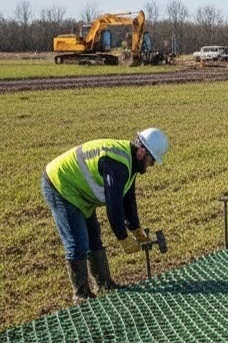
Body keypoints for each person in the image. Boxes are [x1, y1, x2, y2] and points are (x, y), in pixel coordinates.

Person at [41, 129, 169, 303]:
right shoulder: (118, 164)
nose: (150, 166)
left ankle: (104, 285)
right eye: (152, 161)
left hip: (80, 192)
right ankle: (81, 295)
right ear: (142, 152)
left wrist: (137, 230)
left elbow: (127, 200)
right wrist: (123, 238)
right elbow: (114, 207)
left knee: (94, 236)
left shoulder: (129, 163)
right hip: (61, 185)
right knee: (78, 241)